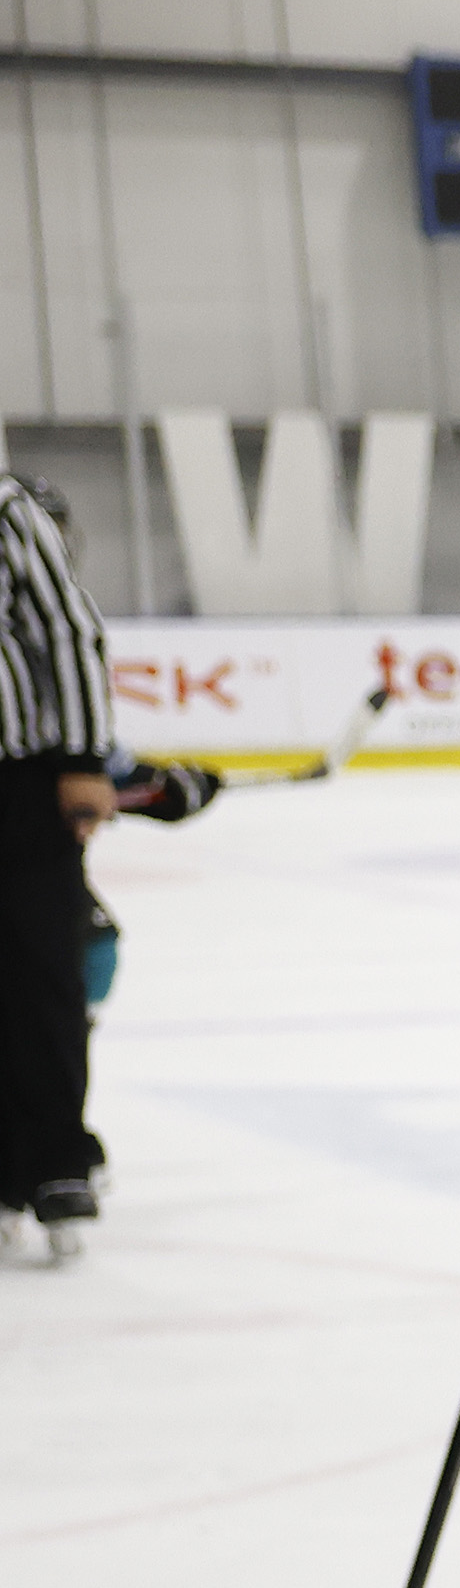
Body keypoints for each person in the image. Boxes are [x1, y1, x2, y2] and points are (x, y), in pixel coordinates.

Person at [0, 467, 120, 1258]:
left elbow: (65, 626)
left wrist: (83, 757)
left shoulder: (2, 504)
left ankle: (53, 1162)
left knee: (41, 968)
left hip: (13, 782)